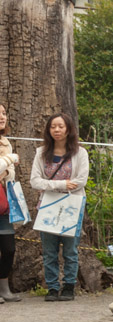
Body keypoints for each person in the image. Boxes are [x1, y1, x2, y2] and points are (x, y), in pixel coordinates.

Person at [30, 114, 89, 301]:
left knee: (71, 249)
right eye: (53, 127)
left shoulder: (80, 153)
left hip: (72, 206)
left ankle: (69, 285)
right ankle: (52, 287)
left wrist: (51, 184)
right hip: (47, 206)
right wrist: (62, 185)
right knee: (49, 250)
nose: (57, 130)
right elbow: (35, 181)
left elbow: (80, 181)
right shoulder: (41, 153)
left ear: (68, 129)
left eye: (60, 126)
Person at [0, 104, 20, 303]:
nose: (1, 117)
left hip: (4, 201)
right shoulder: (9, 152)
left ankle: (4, 286)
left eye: (4, 113)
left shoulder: (5, 141)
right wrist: (10, 159)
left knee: (8, 248)